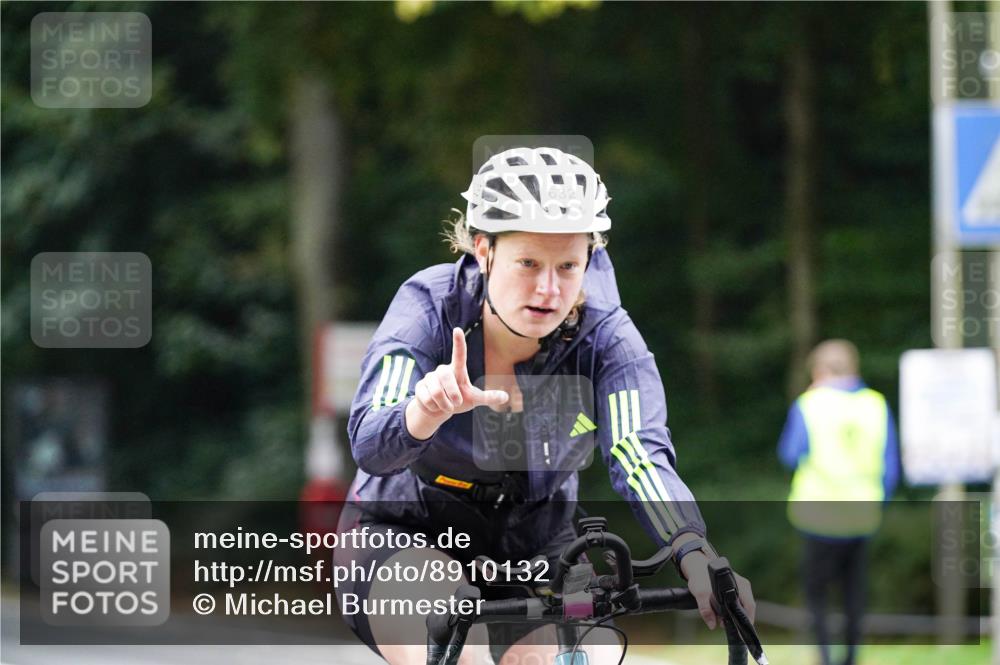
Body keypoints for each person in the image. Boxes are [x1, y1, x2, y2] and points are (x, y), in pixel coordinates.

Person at [335, 146, 755, 665]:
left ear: (590, 259)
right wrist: (421, 413)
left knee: (594, 656)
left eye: (568, 265)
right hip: (407, 527)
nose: (549, 289)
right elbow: (370, 446)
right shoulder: (427, 307)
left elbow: (639, 453)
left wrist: (692, 548)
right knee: (454, 647)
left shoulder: (608, 336)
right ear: (484, 251)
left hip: (537, 540)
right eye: (528, 263)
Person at [777, 339, 900, 665]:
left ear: (819, 371)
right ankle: (851, 659)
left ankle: (825, 657)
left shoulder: (810, 403)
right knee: (854, 594)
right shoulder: (876, 404)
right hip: (861, 515)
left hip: (817, 515)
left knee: (817, 595)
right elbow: (890, 468)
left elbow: (790, 454)